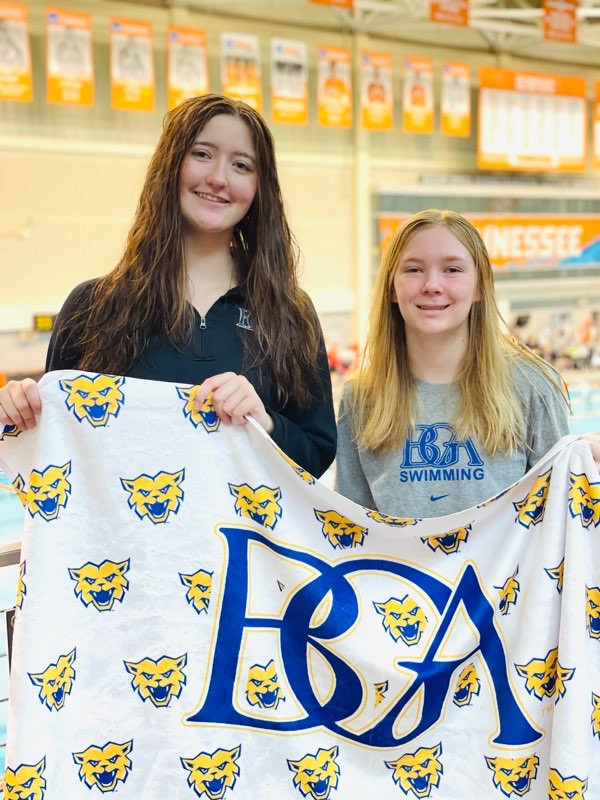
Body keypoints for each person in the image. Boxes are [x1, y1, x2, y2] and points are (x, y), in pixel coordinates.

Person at [0, 94, 336, 478]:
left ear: (260, 187)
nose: (219, 178)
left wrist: (265, 423)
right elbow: (59, 453)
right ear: (170, 165)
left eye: (241, 165)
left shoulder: (289, 313)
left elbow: (316, 456)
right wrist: (20, 411)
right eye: (202, 154)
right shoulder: (92, 307)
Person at [335, 209, 575, 519]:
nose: (432, 285)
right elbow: (352, 525)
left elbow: (563, 514)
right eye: (413, 269)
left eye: (452, 269)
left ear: (479, 287)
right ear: (392, 288)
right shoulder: (361, 396)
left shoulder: (532, 386)